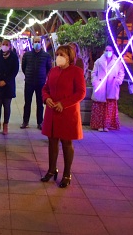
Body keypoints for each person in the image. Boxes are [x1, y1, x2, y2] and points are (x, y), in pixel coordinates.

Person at [40, 45, 86, 188]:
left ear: (70, 57)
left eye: (62, 55)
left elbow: (81, 93)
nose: (58, 57)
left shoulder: (76, 72)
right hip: (52, 111)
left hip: (67, 113)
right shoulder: (53, 71)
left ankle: (67, 174)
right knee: (52, 142)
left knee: (66, 143)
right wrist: (46, 98)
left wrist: (64, 104)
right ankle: (52, 169)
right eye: (57, 54)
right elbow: (45, 88)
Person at [90, 45, 125, 132]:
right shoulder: (98, 61)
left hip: (112, 87)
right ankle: (99, 125)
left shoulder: (117, 62)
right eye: (106, 50)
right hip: (100, 87)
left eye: (110, 50)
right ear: (103, 51)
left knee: (109, 107)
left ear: (113, 51)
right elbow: (93, 73)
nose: (108, 51)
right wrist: (95, 82)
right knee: (100, 106)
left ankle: (107, 125)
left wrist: (118, 81)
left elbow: (121, 73)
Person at [21, 36, 52, 130]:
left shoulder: (46, 56)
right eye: (35, 42)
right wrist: (27, 74)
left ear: (41, 43)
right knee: (27, 103)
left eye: (38, 41)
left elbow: (49, 68)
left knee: (40, 103)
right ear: (32, 43)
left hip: (41, 83)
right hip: (29, 82)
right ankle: (25, 122)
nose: (37, 43)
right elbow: (23, 67)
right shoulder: (27, 55)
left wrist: (43, 76)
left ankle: (40, 122)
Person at [0, 39, 19, 135]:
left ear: (10, 46)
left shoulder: (14, 57)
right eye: (3, 44)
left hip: (8, 85)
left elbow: (15, 71)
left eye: (7, 44)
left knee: (7, 106)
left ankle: (5, 125)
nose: (5, 46)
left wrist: (6, 81)